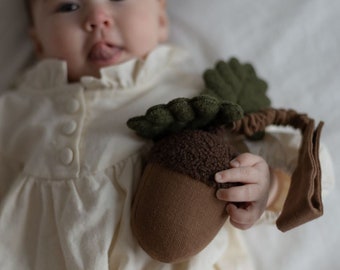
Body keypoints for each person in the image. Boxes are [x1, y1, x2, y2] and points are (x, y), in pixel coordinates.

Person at [0, 0, 333, 269]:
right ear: (38, 42)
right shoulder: (19, 110)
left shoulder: (194, 94)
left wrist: (269, 186)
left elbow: (298, 161)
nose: (97, 17)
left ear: (161, 18)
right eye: (68, 6)